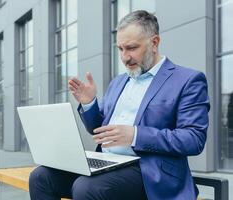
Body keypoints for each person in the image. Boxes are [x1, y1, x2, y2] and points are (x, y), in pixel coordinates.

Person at [29, 10, 210, 200]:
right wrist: (89, 103)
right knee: (41, 177)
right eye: (120, 49)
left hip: (151, 172)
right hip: (108, 163)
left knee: (87, 188)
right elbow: (98, 130)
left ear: (154, 43)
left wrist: (135, 135)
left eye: (131, 48)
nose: (124, 57)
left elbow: (193, 139)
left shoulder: (187, 80)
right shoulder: (118, 82)